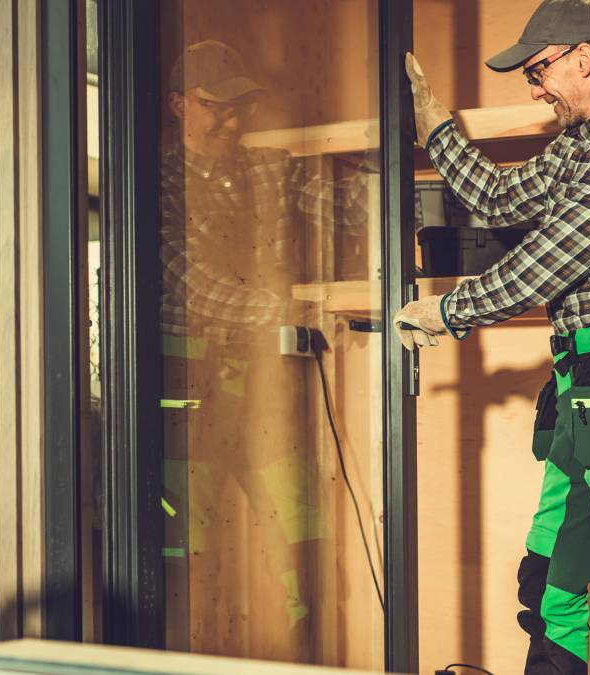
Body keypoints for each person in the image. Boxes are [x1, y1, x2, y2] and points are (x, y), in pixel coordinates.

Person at [393, 1, 590, 673]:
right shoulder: (585, 142)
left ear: (583, 57)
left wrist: (448, 311)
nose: (534, 89)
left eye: (538, 70)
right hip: (583, 388)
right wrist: (434, 127)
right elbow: (503, 200)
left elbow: (549, 261)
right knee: (549, 584)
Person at [159, 39, 369, 655]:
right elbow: (185, 286)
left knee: (305, 537)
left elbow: (357, 205)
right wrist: (289, 309)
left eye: (241, 106)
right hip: (185, 398)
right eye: (213, 105)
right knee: (187, 555)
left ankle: (307, 653)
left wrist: (401, 158)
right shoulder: (153, 181)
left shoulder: (270, 169)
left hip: (266, 390)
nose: (231, 119)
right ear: (177, 104)